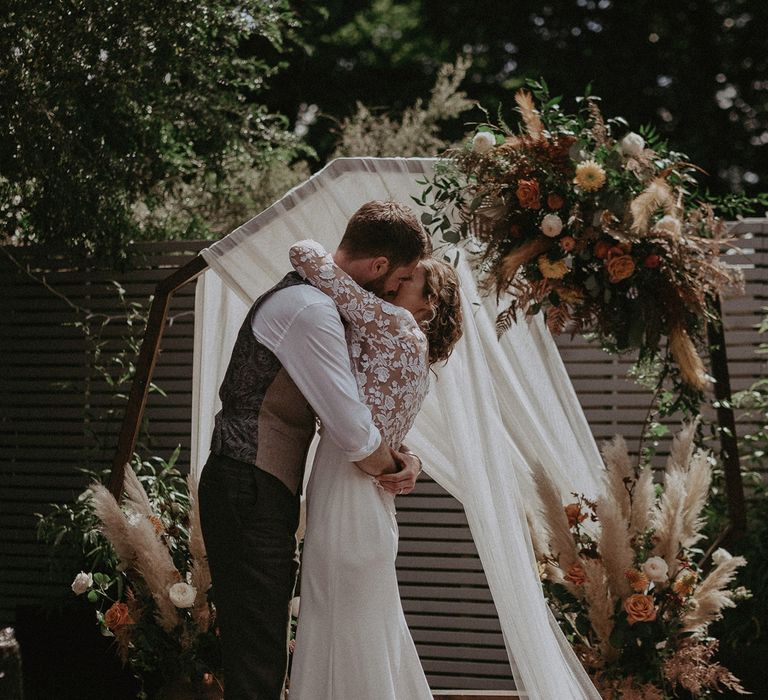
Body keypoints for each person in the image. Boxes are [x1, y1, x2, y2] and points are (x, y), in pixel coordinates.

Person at [198, 201, 430, 699]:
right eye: (402, 278)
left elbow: (358, 406)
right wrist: (393, 466)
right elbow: (352, 431)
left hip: (258, 484)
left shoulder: (323, 305)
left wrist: (406, 457)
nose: (394, 294)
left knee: (262, 647)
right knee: (257, 654)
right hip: (247, 482)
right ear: (380, 266)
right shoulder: (311, 310)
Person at [286, 239, 463, 699]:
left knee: (338, 620)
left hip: (348, 483)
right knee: (354, 619)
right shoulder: (418, 353)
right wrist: (411, 459)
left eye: (407, 280)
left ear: (429, 302)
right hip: (370, 494)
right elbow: (384, 423)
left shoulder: (396, 323)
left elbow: (304, 254)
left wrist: (349, 259)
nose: (393, 282)